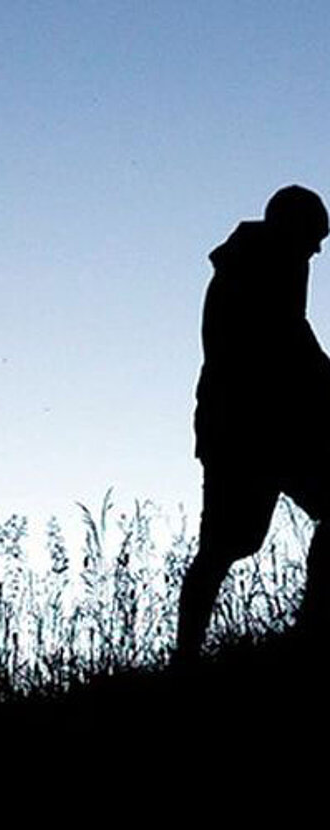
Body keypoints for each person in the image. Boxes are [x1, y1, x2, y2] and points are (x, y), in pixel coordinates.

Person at [175, 184, 330, 664]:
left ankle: (310, 631)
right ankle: (187, 657)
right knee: (223, 547)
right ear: (292, 227)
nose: (318, 250)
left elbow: (293, 345)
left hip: (262, 426)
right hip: (246, 429)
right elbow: (286, 346)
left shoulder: (263, 262)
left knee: (224, 548)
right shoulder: (264, 266)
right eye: (314, 238)